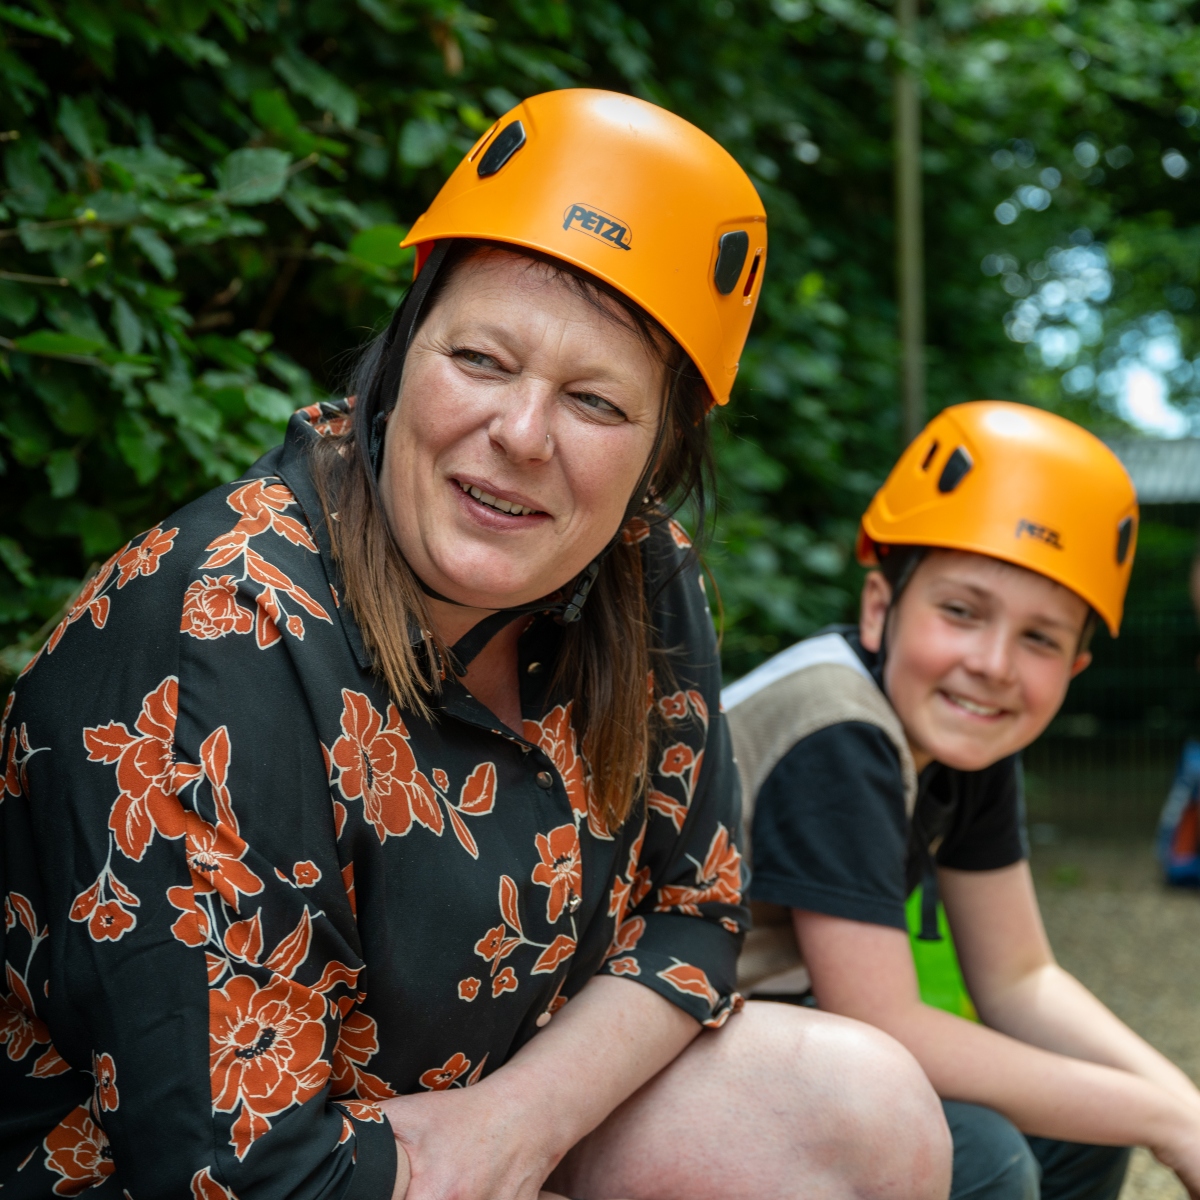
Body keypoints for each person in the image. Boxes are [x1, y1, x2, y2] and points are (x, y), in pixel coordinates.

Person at [0, 90, 950, 1200]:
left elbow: (695, 917)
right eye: (484, 360)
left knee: (864, 1116)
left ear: (664, 445)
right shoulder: (219, 637)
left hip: (463, 1146)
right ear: (407, 350)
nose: (521, 435)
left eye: (596, 401)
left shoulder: (643, 574)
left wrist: (515, 1126)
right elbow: (232, 1174)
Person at [725, 401, 1200, 1200]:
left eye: (1040, 638)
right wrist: (1162, 1119)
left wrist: (1181, 1109)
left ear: (1074, 668)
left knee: (1078, 1135)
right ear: (881, 608)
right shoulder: (838, 730)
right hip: (654, 1032)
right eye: (961, 611)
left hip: (769, 1023)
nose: (993, 664)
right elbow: (885, 1022)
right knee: (982, 1157)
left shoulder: (964, 734)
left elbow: (1018, 976)